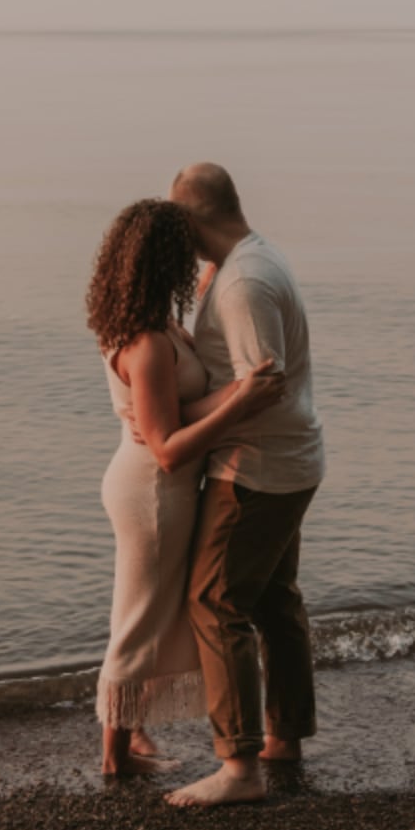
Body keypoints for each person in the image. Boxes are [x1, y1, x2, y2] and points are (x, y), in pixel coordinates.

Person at [85, 198, 286, 777]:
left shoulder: (146, 318)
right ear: (161, 263)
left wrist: (233, 391)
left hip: (148, 482)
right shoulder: (147, 344)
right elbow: (170, 450)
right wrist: (242, 402)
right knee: (139, 619)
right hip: (153, 492)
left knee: (149, 612)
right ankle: (114, 760)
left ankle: (134, 734)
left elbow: (176, 408)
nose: (195, 261)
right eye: (186, 254)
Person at [164, 164, 327, 808]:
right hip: (290, 461)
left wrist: (185, 422)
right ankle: (284, 737)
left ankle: (239, 767)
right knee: (273, 600)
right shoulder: (251, 257)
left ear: (191, 219)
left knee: (215, 601)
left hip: (256, 468)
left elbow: (264, 386)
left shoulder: (244, 283)